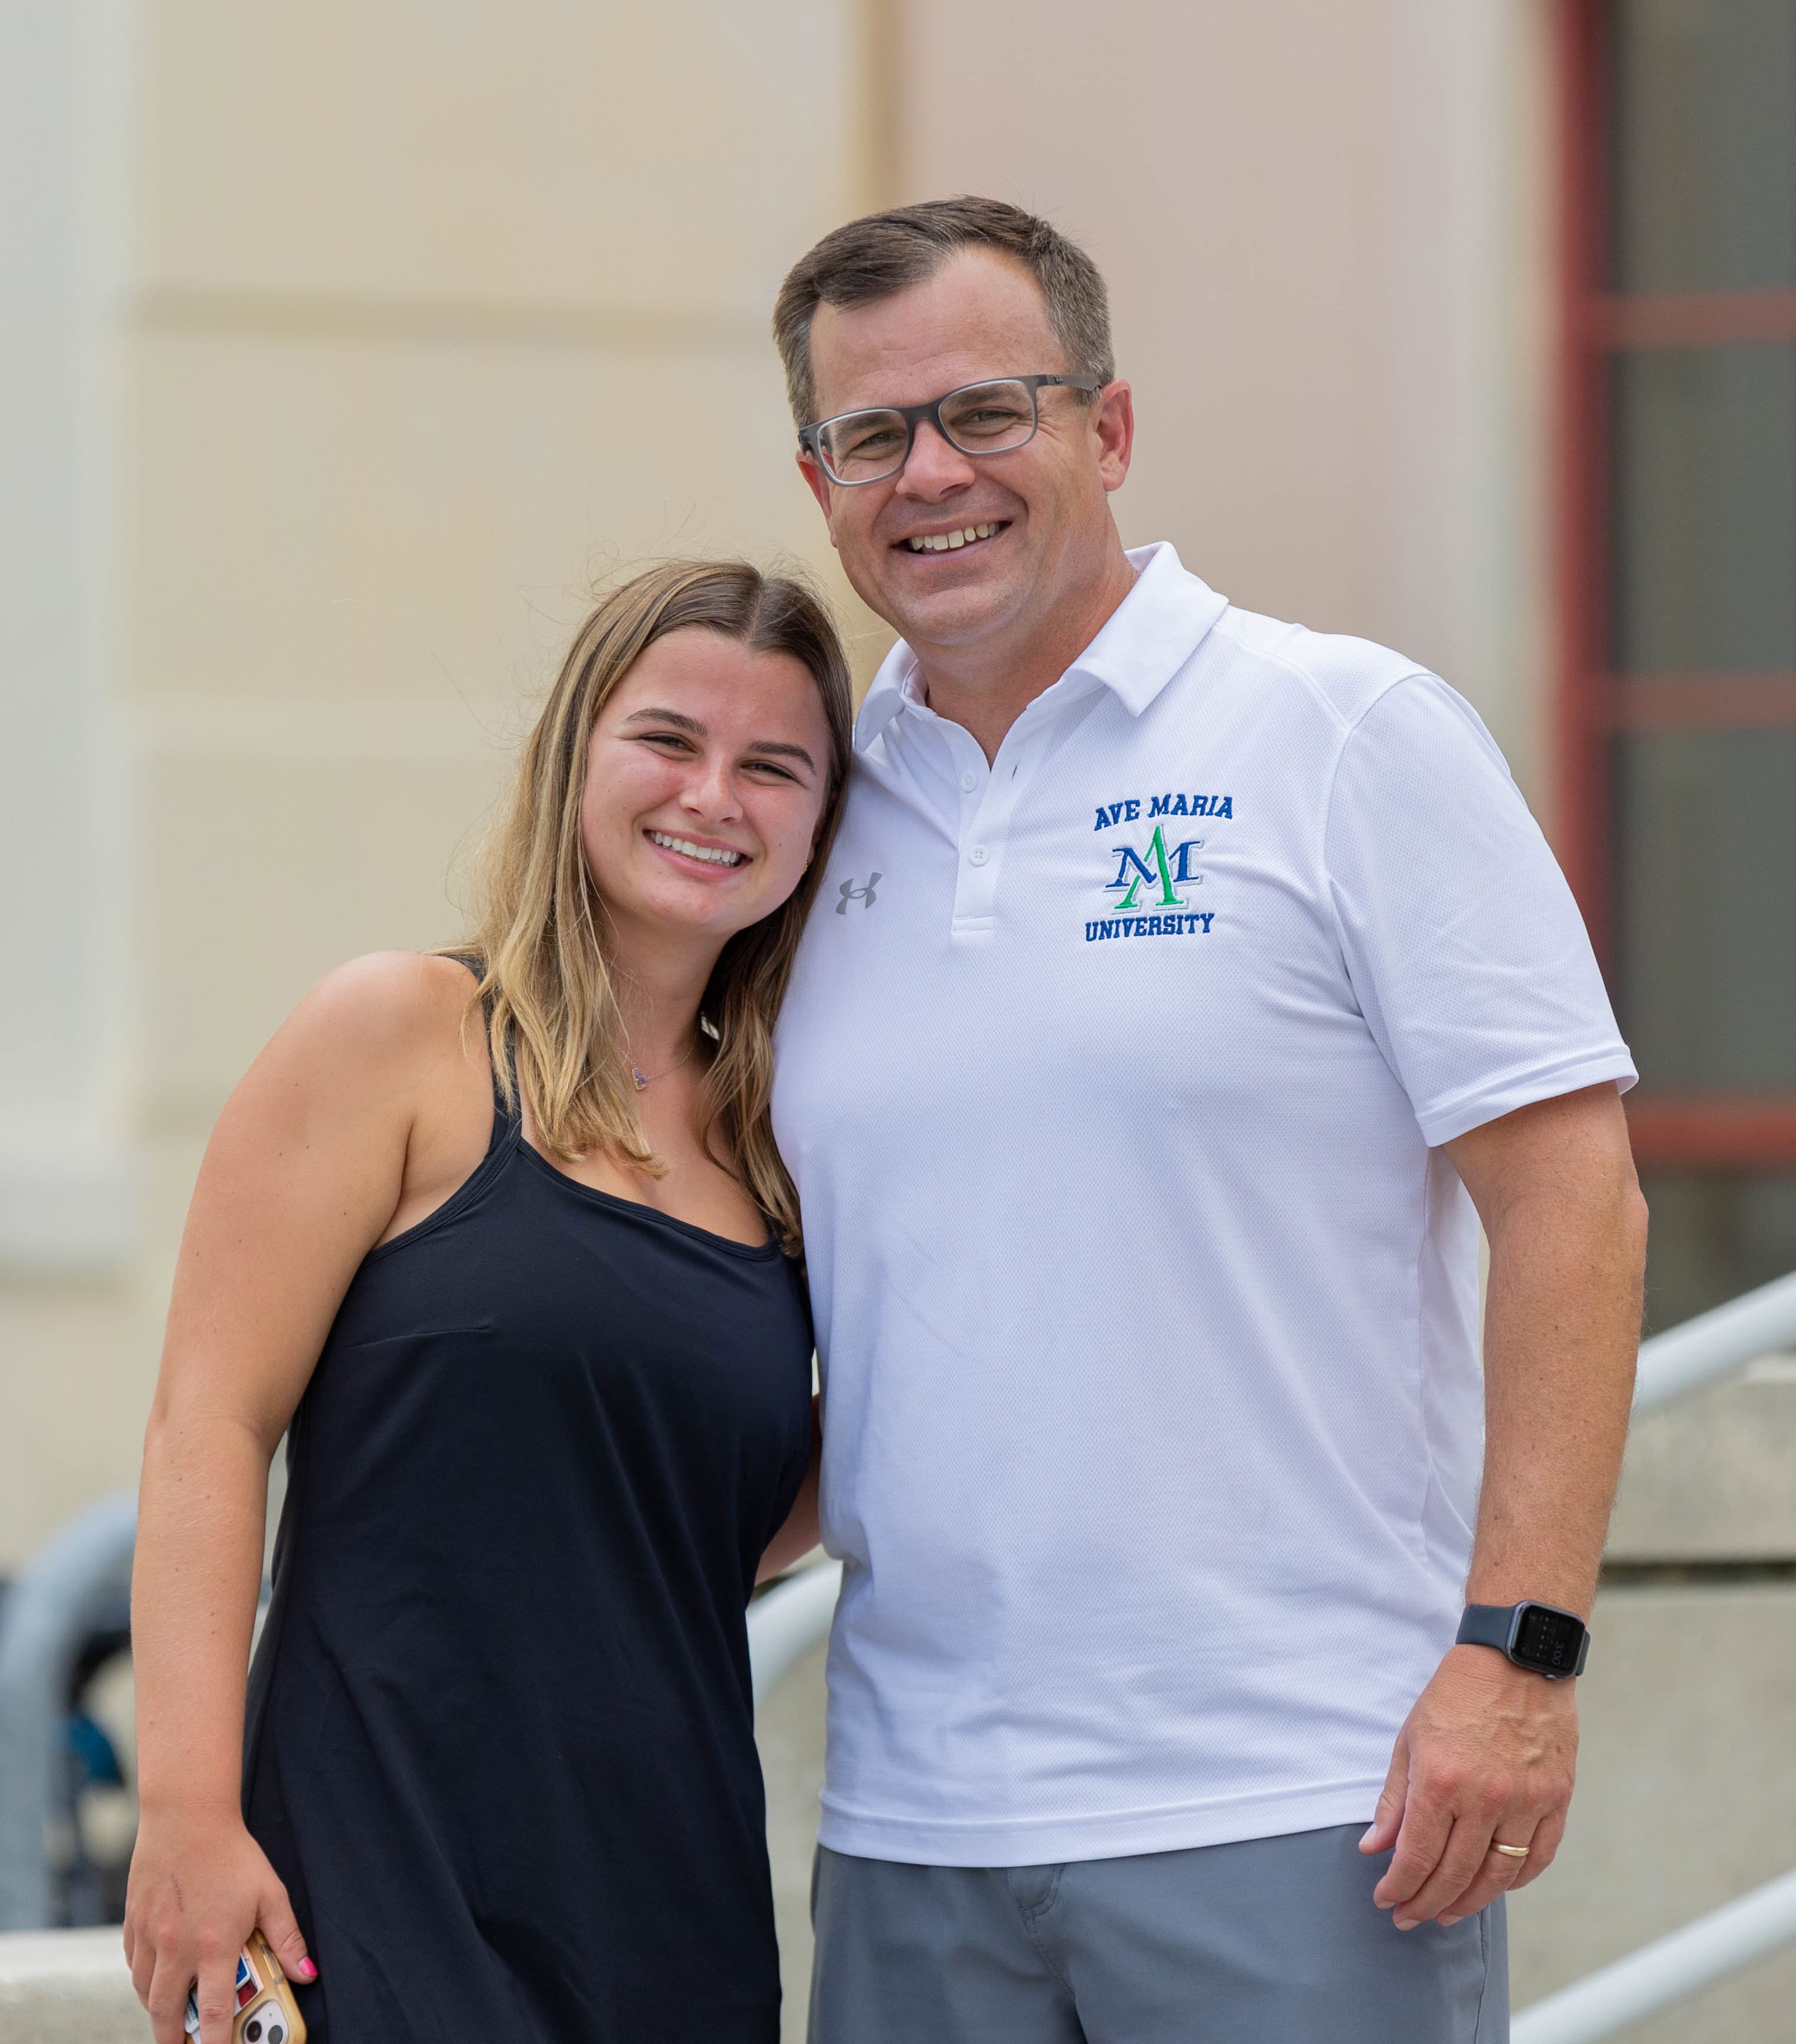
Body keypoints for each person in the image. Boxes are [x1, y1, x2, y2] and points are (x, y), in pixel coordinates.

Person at [768, 197, 1648, 2042]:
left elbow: (1572, 1202)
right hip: (911, 1822)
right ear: (817, 480)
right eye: (871, 436)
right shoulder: (806, 817)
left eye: (987, 412)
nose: (932, 475)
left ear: (1107, 428)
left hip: (1306, 1802)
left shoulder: (1342, 734)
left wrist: (1521, 1656)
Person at [123, 561, 852, 2044]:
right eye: (667, 740)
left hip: (669, 1904)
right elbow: (210, 1422)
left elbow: (715, 1520)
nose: (712, 796)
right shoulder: (401, 1036)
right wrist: (187, 1813)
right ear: (575, 753)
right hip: (368, 1883)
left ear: (823, 820)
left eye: (772, 766)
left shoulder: (790, 1152)